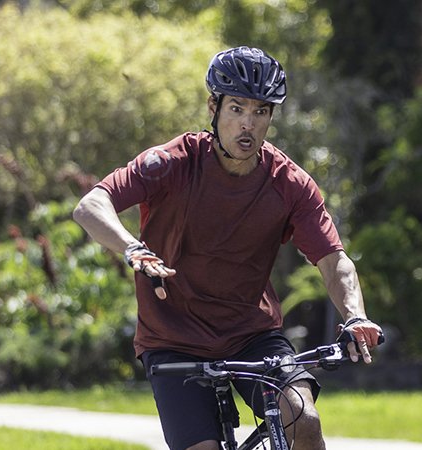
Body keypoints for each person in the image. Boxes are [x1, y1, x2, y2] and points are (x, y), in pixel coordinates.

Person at [72, 46, 382, 450]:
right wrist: (133, 248)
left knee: (302, 420)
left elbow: (333, 260)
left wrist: (355, 315)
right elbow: (91, 205)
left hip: (251, 334)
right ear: (213, 108)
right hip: (172, 338)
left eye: (260, 112)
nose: (247, 125)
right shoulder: (171, 162)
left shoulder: (290, 184)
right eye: (237, 109)